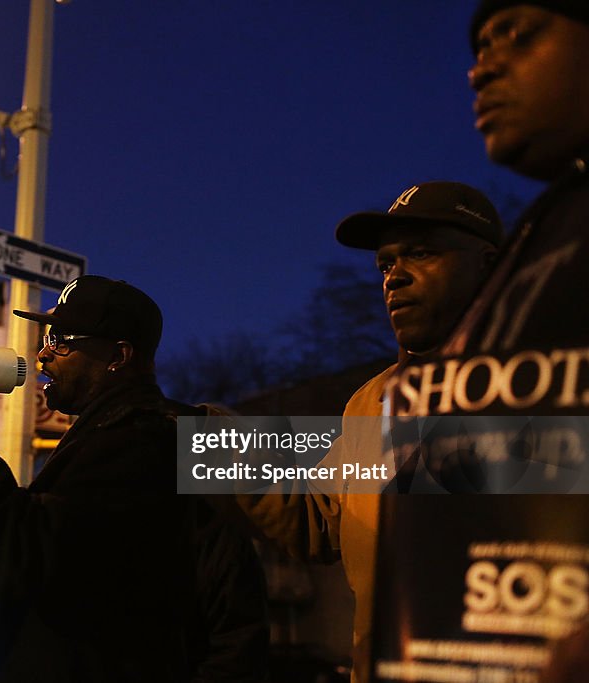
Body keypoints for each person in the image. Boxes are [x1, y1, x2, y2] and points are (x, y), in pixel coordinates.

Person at [0, 275, 268, 682]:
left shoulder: (141, 444)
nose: (42, 354)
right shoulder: (112, 437)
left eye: (61, 340)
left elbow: (21, 551)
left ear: (118, 355)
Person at [240, 181, 502, 682]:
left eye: (420, 254)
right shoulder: (369, 403)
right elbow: (317, 519)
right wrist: (193, 440)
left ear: (488, 265)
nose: (394, 278)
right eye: (385, 265)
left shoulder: (552, 381)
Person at [388, 0, 589, 414]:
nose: (480, 72)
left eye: (517, 35)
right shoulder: (551, 222)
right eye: (480, 52)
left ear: (484, 261)